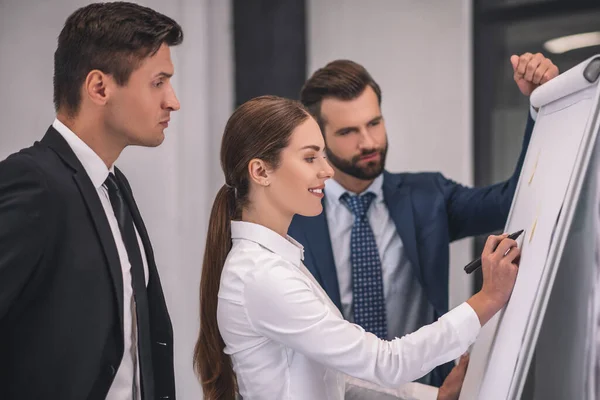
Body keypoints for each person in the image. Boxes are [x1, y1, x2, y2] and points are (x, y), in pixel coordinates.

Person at [194, 95, 521, 400]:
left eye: (323, 155)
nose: (327, 170)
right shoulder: (262, 275)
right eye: (310, 157)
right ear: (260, 171)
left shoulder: (276, 262)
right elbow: (386, 361)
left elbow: (340, 377)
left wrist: (432, 396)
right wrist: (487, 299)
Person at [288, 54, 559, 386]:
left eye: (374, 123)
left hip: (430, 392)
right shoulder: (294, 218)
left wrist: (540, 108)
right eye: (348, 131)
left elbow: (511, 201)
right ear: (320, 137)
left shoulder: (427, 196)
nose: (368, 142)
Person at [0, 3, 182, 399]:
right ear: (99, 87)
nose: (173, 101)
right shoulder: (35, 182)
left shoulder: (114, 186)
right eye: (158, 82)